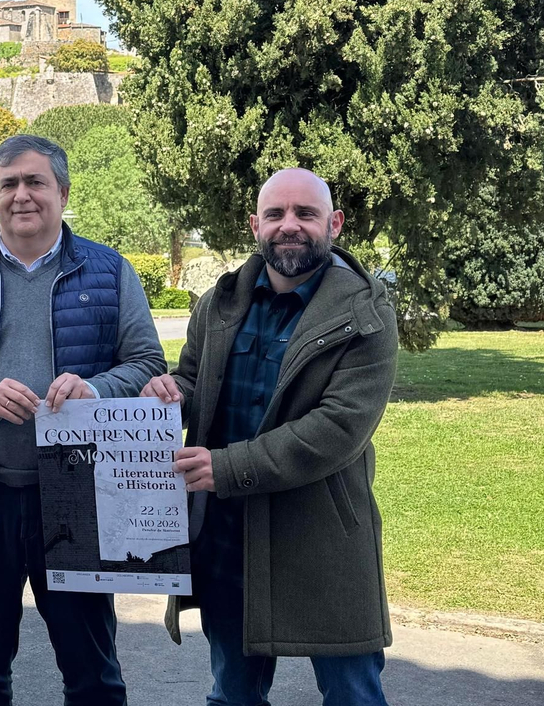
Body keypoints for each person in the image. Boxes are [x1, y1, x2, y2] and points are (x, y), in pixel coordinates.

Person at [0, 134, 165, 706]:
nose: (22, 195)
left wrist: (94, 389)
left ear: (63, 193)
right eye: (9, 184)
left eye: (35, 182)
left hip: (79, 495)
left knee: (93, 669)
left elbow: (147, 363)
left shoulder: (108, 270)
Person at [141, 167, 399, 706]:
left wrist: (227, 468)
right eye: (277, 214)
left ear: (335, 223)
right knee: (233, 695)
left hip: (322, 537)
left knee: (353, 695)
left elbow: (337, 429)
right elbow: (193, 375)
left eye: (306, 214)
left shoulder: (366, 314)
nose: (291, 226)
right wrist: (171, 391)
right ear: (255, 223)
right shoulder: (219, 302)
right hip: (228, 535)